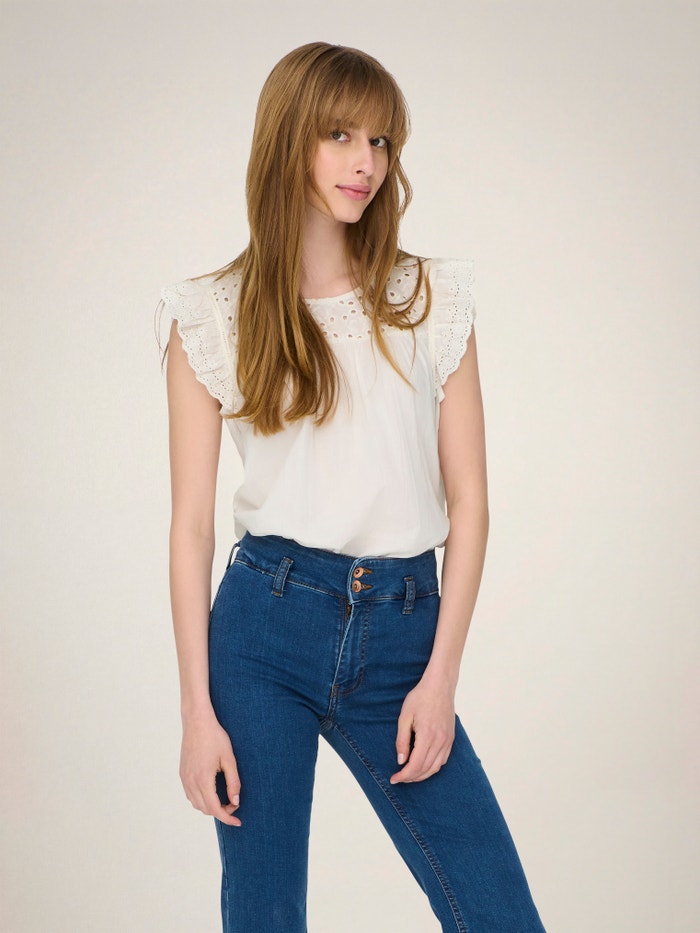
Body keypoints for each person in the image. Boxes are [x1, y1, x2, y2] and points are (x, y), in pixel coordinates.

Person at [161, 41, 546, 933]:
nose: (365, 161)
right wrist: (195, 712)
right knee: (264, 916)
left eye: (380, 141)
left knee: (497, 912)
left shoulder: (428, 298)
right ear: (287, 139)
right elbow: (189, 528)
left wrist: (441, 676)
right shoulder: (210, 314)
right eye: (339, 135)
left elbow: (471, 502)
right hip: (262, 629)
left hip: (405, 630)